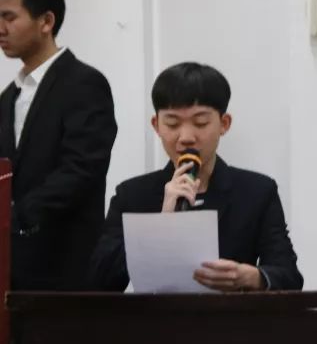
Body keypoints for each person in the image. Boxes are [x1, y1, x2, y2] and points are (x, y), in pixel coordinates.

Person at [90, 62, 303, 291]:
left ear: (224, 124)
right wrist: (161, 224)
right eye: (172, 123)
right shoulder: (132, 195)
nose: (186, 137)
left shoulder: (257, 191)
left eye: (200, 123)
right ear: (156, 125)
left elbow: (289, 276)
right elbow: (100, 281)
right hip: (157, 315)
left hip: (230, 313)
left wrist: (252, 277)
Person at [0, 0, 118, 290]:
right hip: (11, 270)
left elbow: (82, 168)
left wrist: (16, 217)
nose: (1, 29)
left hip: (65, 267)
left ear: (46, 21)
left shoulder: (84, 83)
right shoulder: (8, 97)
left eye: (9, 17)